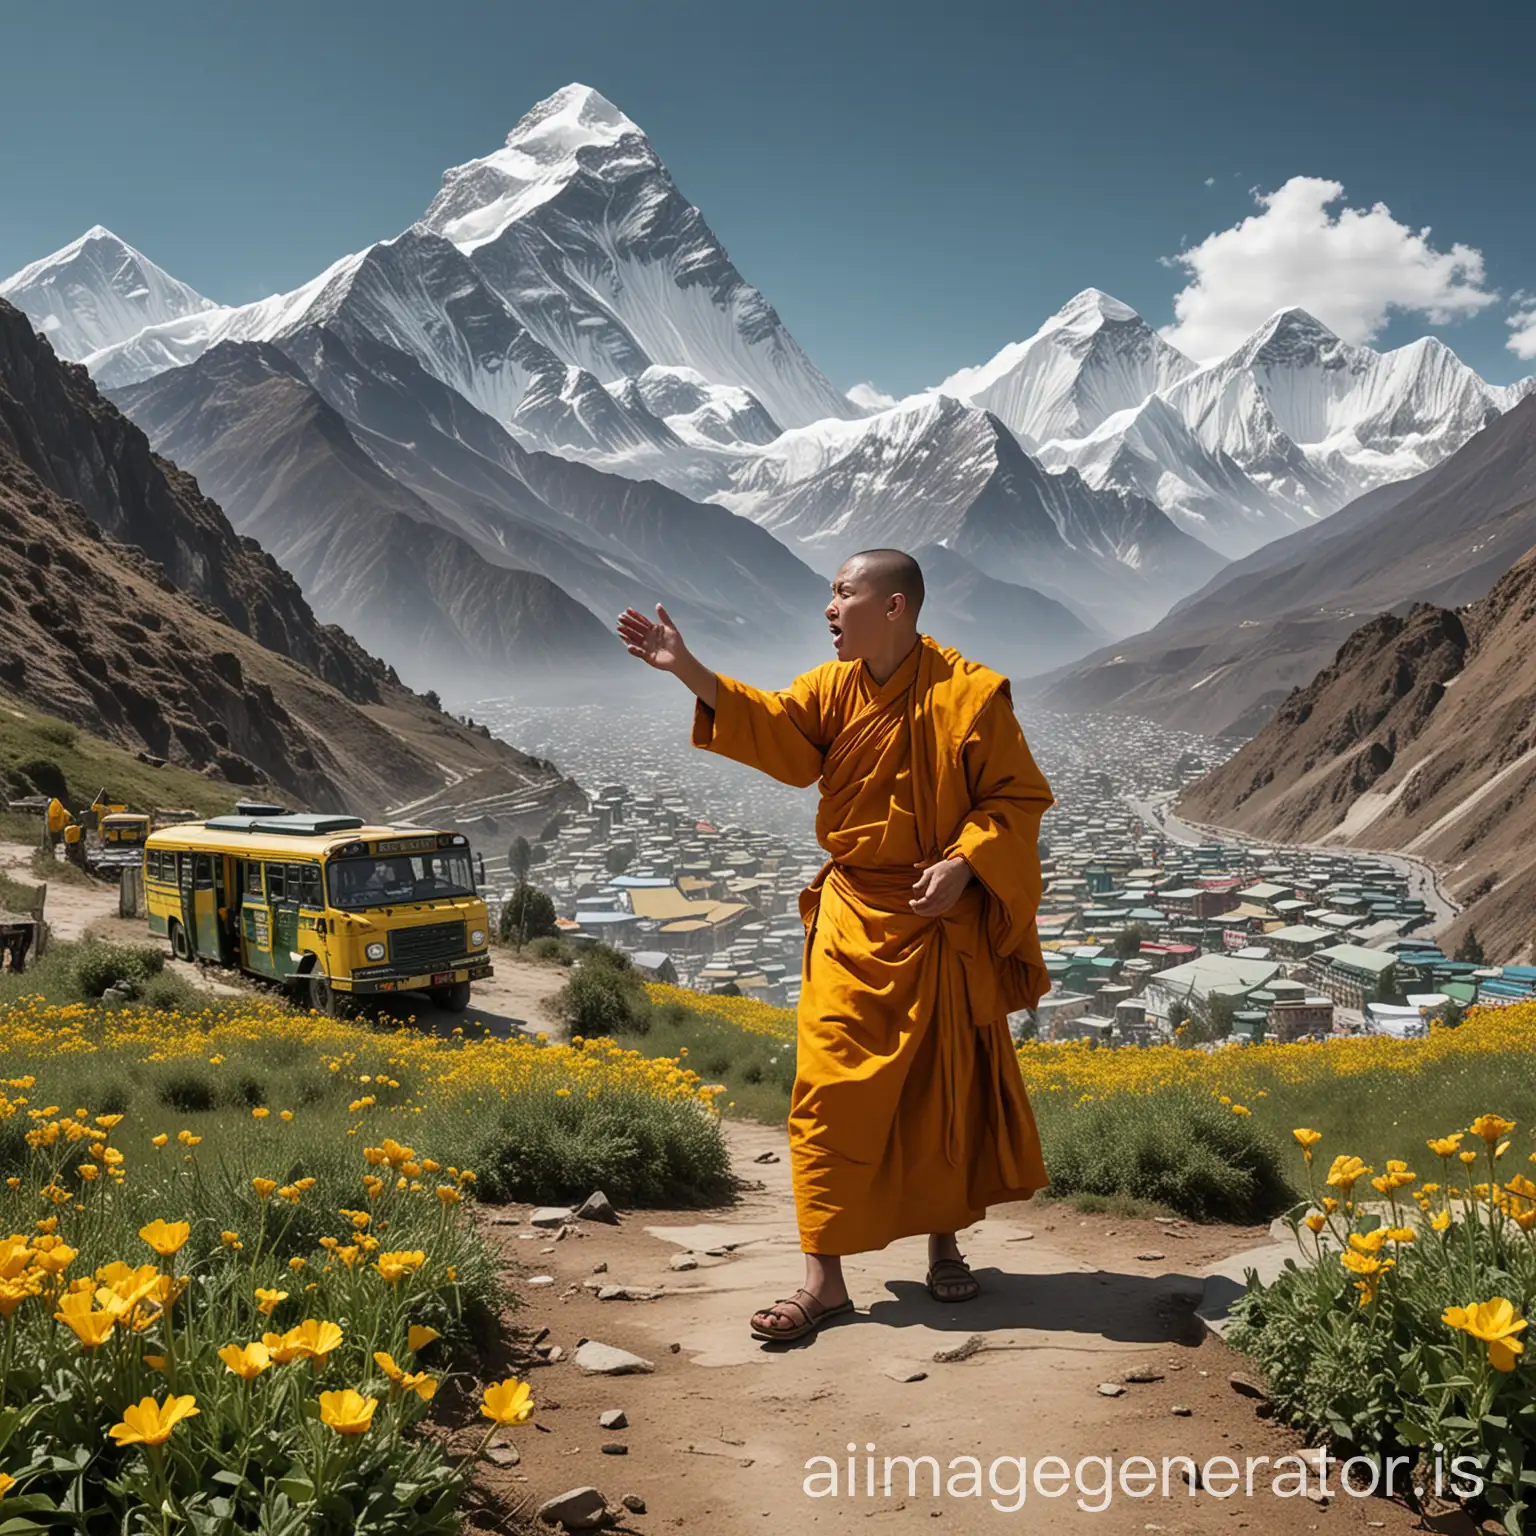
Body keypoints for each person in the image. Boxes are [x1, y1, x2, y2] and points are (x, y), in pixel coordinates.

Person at [616, 548, 1054, 1342]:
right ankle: (823, 1281)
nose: (828, 607)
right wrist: (689, 671)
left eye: (843, 593)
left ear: (893, 607)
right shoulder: (829, 689)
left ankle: (944, 1243)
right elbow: (776, 732)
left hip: (935, 921)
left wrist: (965, 863)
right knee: (824, 1094)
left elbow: (1015, 800)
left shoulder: (971, 695)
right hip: (854, 913)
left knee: (937, 1089)